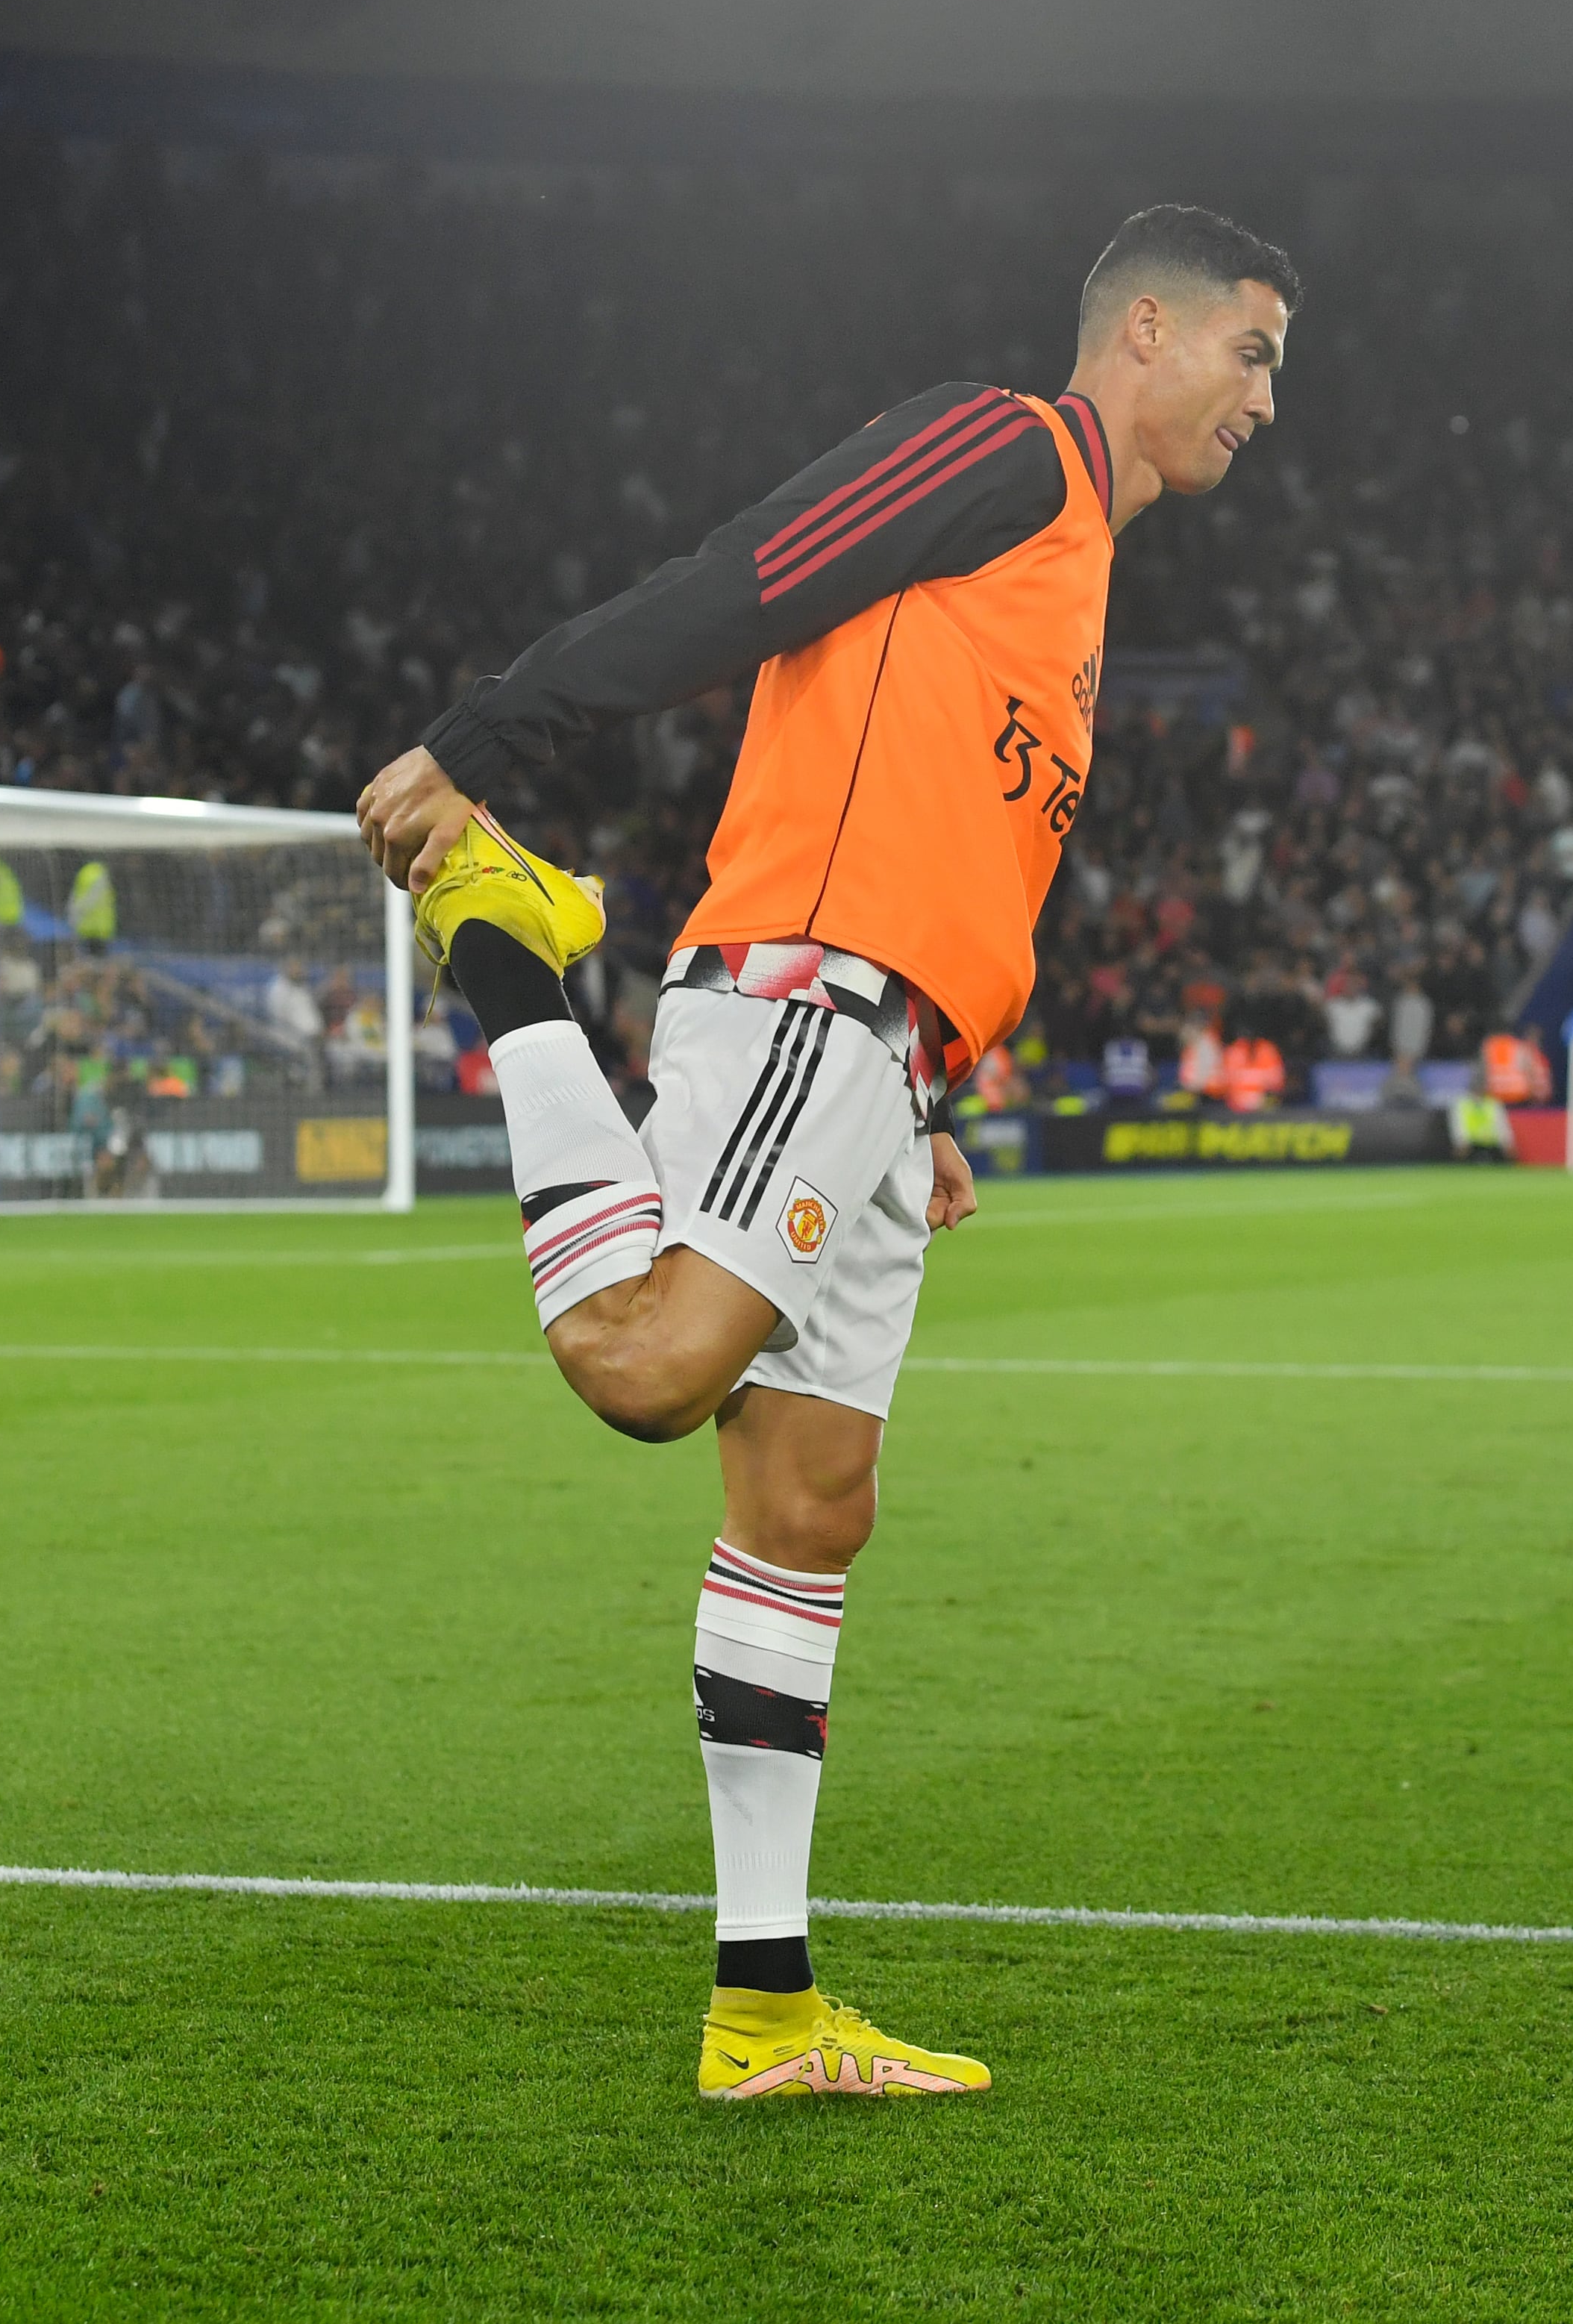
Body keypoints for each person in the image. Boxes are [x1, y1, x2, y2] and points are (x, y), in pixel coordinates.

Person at [355, 203, 1295, 2103]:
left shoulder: (1079, 576)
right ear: (1147, 333)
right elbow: (757, 570)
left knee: (810, 1507)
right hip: (806, 995)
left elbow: (954, 818)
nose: (1269, 399)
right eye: (1255, 352)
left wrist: (922, 1102)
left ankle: (766, 2013)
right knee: (642, 1365)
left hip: (886, 1054)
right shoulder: (1014, 448)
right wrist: (488, 738)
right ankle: (497, 933)